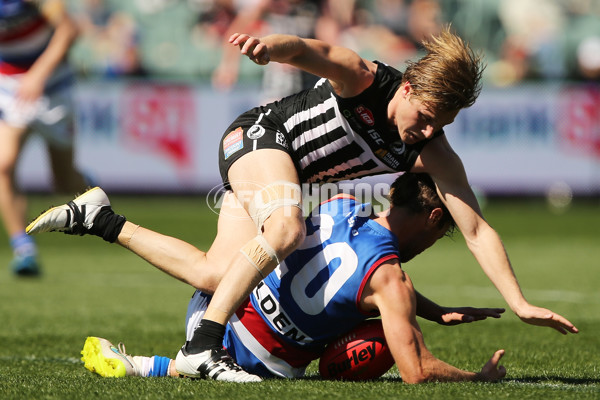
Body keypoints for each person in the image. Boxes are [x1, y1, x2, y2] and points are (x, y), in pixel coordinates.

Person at [29, 26, 578, 382]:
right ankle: (202, 347)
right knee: (288, 227)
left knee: (217, 274)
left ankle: (99, 217)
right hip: (259, 140)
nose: (431, 131)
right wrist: (273, 48)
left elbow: (475, 227)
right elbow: (317, 51)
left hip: (284, 179)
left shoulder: (428, 145)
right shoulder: (366, 80)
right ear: (408, 87)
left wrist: (519, 301)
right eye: (429, 115)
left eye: (445, 124)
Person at [29, 173, 508, 382]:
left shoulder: (343, 205)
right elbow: (416, 372)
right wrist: (479, 378)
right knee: (376, 343)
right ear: (433, 219)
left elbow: (359, 278)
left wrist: (433, 311)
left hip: (212, 313)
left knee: (233, 236)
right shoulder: (391, 282)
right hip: (259, 364)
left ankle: (104, 222)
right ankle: (151, 364)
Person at [0, 0, 86, 276]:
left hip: (53, 86)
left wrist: (38, 74)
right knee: (3, 164)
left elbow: (69, 30)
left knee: (64, 183)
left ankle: (92, 191)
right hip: (10, 85)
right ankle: (23, 247)